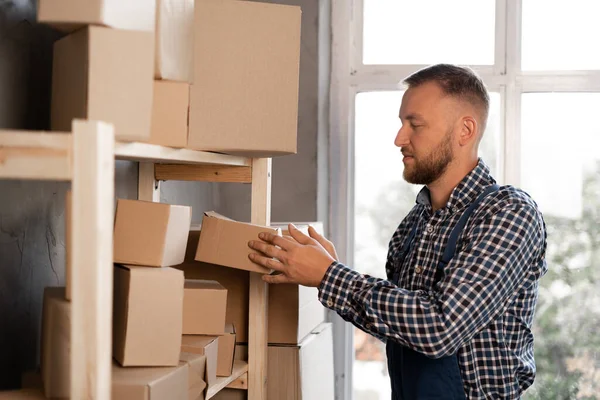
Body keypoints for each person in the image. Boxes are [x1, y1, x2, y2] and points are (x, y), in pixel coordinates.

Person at [248, 63, 548, 399]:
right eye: (401, 123)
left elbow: (441, 328)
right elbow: (402, 327)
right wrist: (328, 273)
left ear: (465, 130)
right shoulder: (413, 224)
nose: (399, 139)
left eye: (414, 125)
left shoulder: (508, 213)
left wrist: (330, 276)